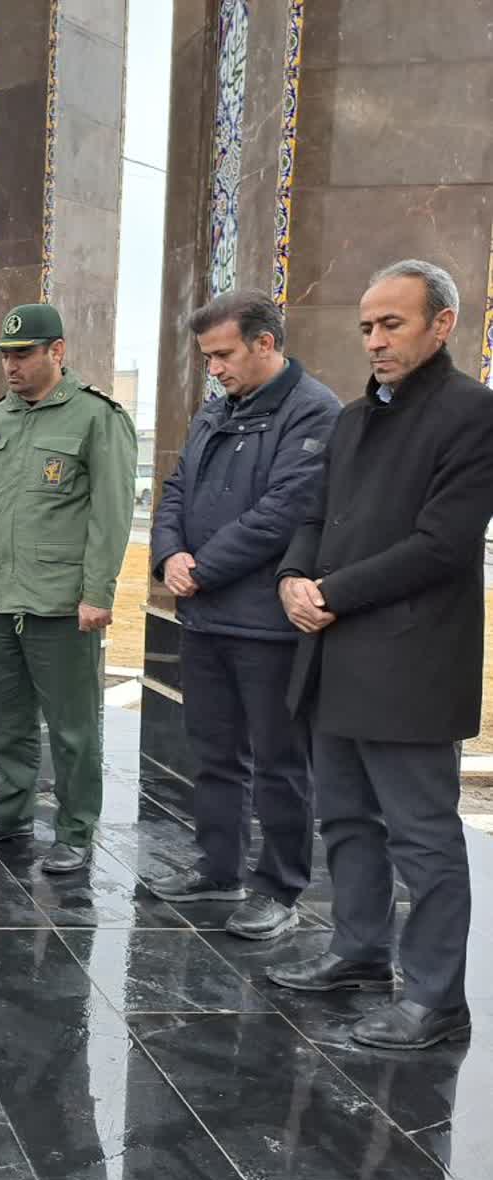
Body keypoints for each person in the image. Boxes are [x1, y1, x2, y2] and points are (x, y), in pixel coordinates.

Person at [267, 260, 493, 1050]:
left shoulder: (473, 414)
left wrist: (329, 592)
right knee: (346, 822)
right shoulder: (353, 419)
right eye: (366, 326)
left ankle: (434, 999)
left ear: (442, 324)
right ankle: (356, 952)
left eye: (391, 323)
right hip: (332, 658)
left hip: (409, 664)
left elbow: (441, 544)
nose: (374, 340)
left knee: (422, 840)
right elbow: (313, 512)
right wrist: (294, 575)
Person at [146, 291, 340, 939]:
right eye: (206, 358)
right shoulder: (214, 410)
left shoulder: (312, 412)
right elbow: (175, 489)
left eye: (223, 355)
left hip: (265, 626)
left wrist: (199, 568)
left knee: (280, 763)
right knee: (213, 755)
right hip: (204, 620)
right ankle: (216, 868)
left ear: (265, 343)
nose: (215, 369)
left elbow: (284, 511)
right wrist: (169, 553)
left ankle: (278, 888)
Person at [0, 303, 136, 872]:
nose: (11, 365)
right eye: (5, 355)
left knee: (73, 727)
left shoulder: (96, 417)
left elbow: (111, 512)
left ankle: (76, 828)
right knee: (5, 717)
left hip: (60, 601)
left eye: (23, 354)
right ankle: (10, 812)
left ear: (57, 352)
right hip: (0, 596)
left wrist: (98, 592)